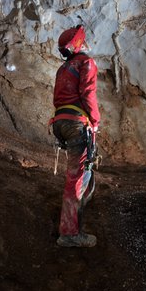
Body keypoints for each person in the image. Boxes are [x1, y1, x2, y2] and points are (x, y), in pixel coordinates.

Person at [49, 25, 100, 247]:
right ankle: (69, 234)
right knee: (77, 178)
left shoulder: (63, 68)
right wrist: (95, 121)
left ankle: (73, 223)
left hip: (60, 122)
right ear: (79, 44)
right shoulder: (85, 62)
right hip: (76, 123)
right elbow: (88, 93)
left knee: (80, 175)